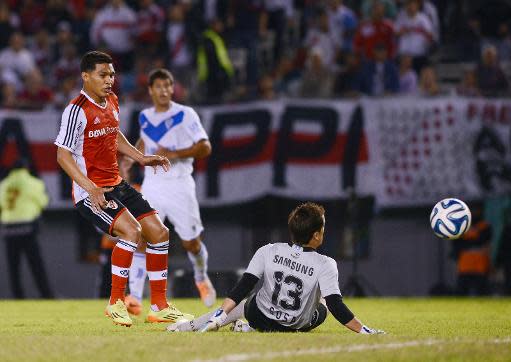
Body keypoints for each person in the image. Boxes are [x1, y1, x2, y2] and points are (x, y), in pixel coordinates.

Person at [54, 50, 192, 327]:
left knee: (160, 232)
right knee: (132, 231)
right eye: (102, 74)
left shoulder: (112, 101)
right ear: (86, 76)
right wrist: (90, 187)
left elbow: (113, 132)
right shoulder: (76, 109)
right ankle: (116, 302)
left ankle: (159, 306)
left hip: (117, 183)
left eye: (112, 74)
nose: (109, 80)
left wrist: (141, 157)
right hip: (91, 193)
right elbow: (62, 155)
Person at [169, 202, 384, 334]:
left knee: (245, 303)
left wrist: (220, 312)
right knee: (325, 303)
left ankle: (189, 326)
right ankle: (246, 327)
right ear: (317, 235)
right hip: (296, 325)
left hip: (260, 315)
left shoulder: (268, 250)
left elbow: (244, 285)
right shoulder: (326, 263)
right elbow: (337, 306)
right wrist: (364, 330)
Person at [131, 68, 216, 308]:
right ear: (150, 90)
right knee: (142, 236)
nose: (164, 90)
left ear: (172, 88)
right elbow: (144, 140)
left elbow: (205, 147)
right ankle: (135, 298)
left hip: (179, 185)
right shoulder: (144, 116)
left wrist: (174, 154)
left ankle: (201, 277)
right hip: (152, 184)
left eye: (168, 86)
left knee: (191, 242)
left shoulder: (185, 114)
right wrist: (131, 158)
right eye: (158, 86)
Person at [0, 158, 54, 299]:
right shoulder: (33, 183)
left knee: (13, 267)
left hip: (8, 229)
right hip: (27, 228)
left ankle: (18, 297)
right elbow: (43, 202)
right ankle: (46, 295)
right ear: (26, 168)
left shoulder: (4, 185)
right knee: (36, 265)